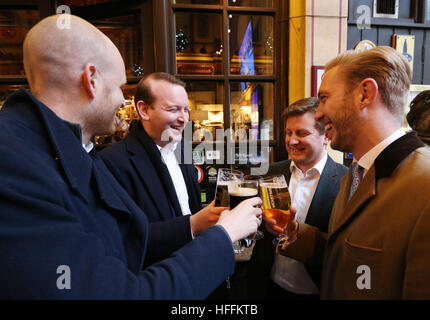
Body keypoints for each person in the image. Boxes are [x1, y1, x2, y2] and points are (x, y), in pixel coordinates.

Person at [0, 14, 262, 299]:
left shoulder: (73, 150)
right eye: (119, 87)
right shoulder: (15, 165)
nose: (121, 101)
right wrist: (223, 236)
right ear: (91, 80)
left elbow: (128, 239)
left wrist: (203, 225)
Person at [268, 46, 430, 299]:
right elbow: (344, 255)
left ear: (365, 94)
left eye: (324, 98)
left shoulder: (424, 185)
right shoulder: (357, 173)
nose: (319, 115)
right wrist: (296, 233)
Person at [100, 73, 226, 266]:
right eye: (173, 109)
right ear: (144, 110)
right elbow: (125, 239)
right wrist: (193, 225)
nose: (184, 118)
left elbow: (189, 208)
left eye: (186, 109)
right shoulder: (111, 162)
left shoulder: (181, 148)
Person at [248, 97, 347, 299]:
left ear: (326, 136)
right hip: (268, 287)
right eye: (288, 133)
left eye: (302, 133)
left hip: (317, 291)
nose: (292, 141)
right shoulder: (269, 173)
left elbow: (343, 249)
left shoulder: (347, 181)